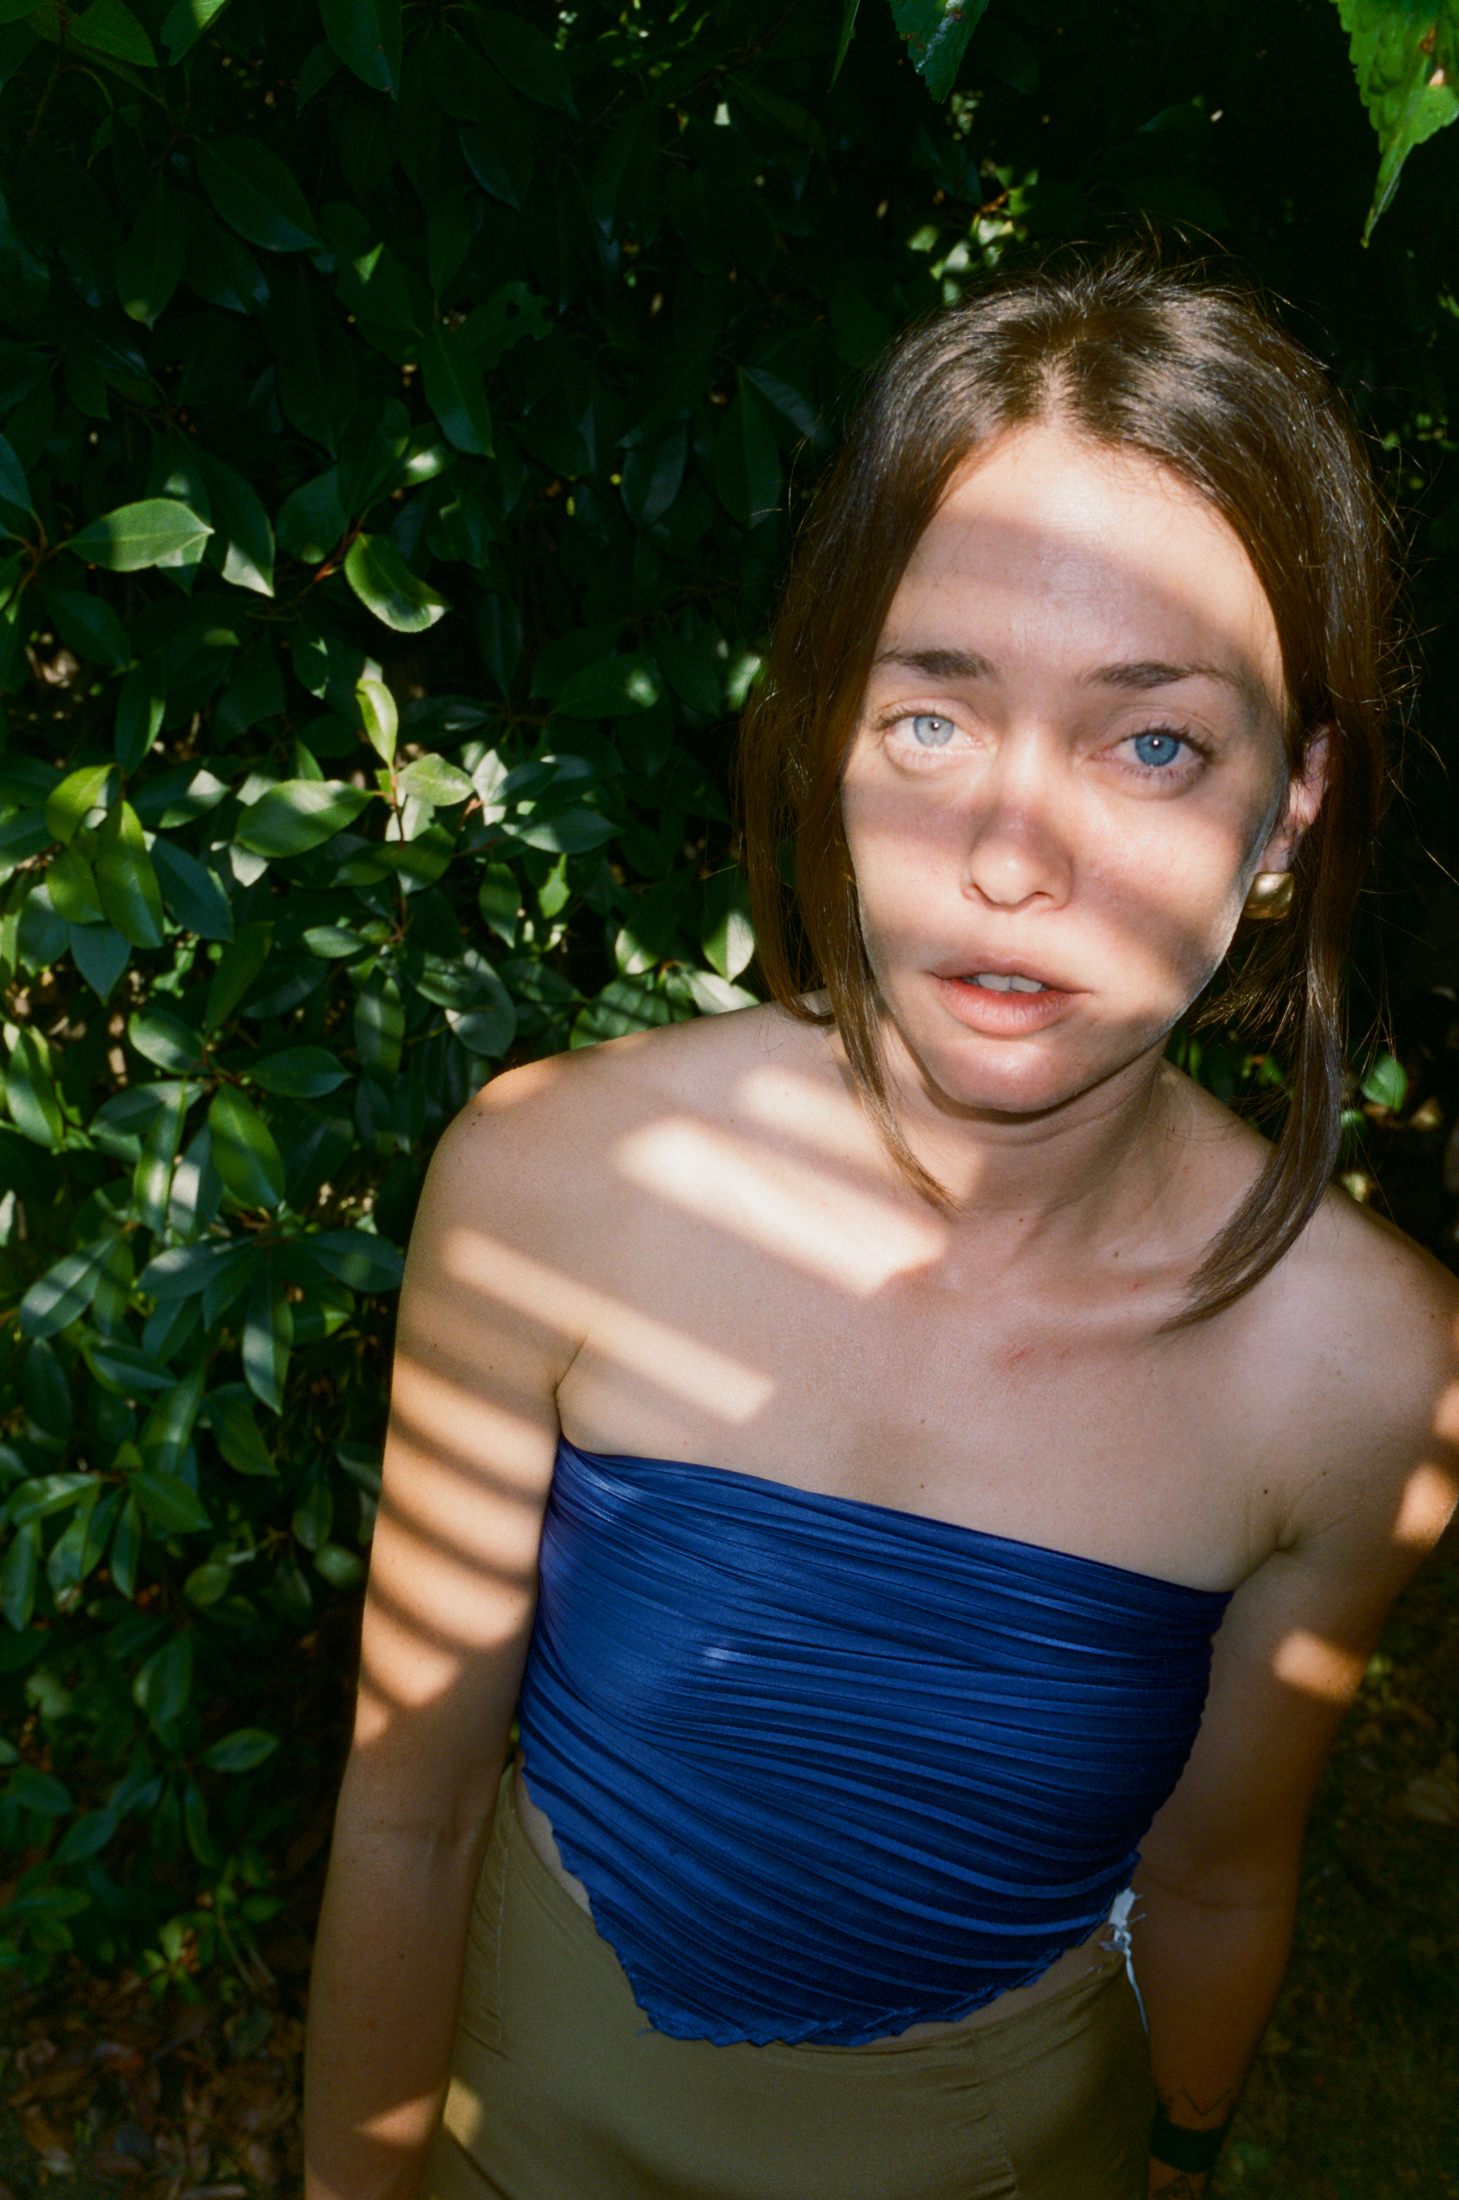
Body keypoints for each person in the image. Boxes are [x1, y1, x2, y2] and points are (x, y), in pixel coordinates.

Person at [303, 251, 1459, 2200]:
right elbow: (407, 1817)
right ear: (833, 726)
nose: (1010, 854)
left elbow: (1214, 1869)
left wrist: (1178, 2153)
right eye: (933, 716)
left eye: (1152, 741)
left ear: (1288, 813)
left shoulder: (1362, 1371)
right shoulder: (556, 1185)